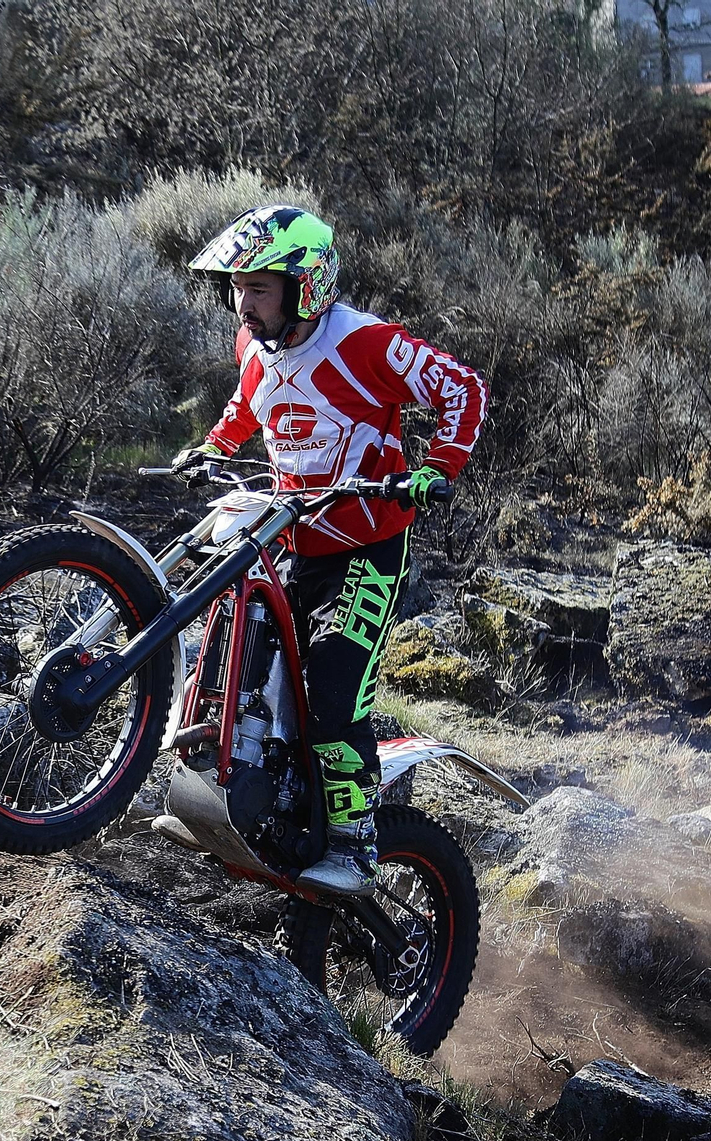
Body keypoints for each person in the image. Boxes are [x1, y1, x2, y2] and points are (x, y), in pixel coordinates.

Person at [172, 204, 488, 896]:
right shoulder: (255, 345)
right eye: (236, 286)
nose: (242, 302)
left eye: (258, 287)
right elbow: (248, 404)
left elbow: (463, 389)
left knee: (333, 685)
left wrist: (438, 469)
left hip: (368, 548)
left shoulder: (366, 343)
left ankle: (355, 839)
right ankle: (241, 788)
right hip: (293, 536)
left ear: (304, 283)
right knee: (235, 649)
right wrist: (213, 447)